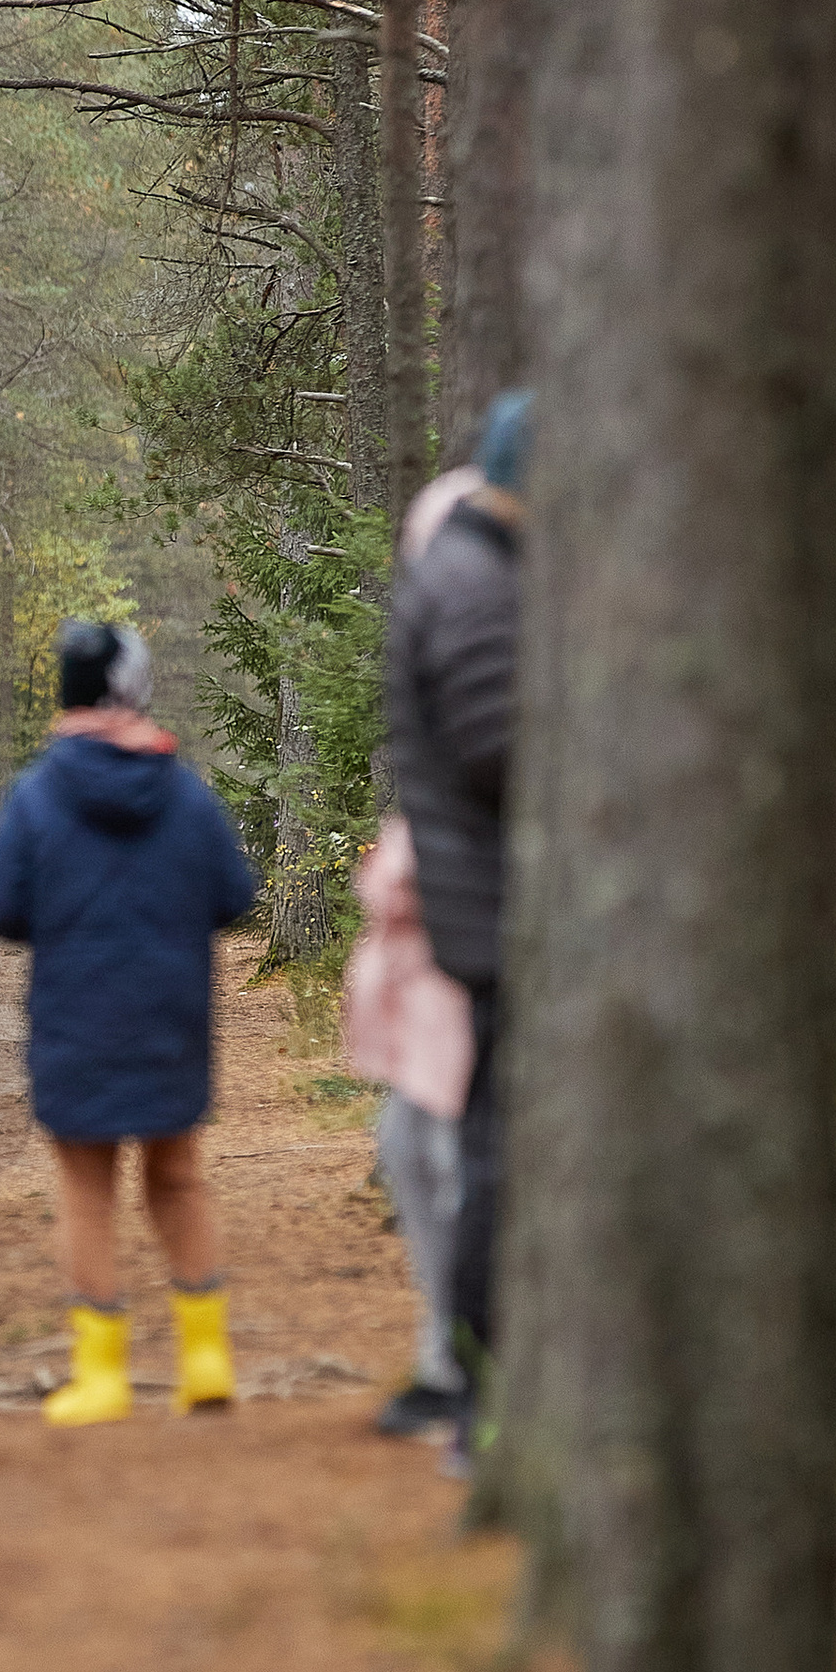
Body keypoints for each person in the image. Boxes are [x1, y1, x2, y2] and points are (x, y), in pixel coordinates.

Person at [0, 620, 257, 1425]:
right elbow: (235, 897)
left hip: (76, 1017)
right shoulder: (185, 791)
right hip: (172, 1017)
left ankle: (102, 1377)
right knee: (178, 1177)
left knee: (86, 1190)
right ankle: (207, 1360)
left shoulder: (37, 793)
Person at [385, 391, 526, 1457]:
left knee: (470, 1153)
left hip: (484, 924)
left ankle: (471, 1382)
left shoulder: (474, 578)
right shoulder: (477, 587)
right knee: (482, 1161)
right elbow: (499, 750)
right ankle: (475, 1391)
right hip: (500, 924)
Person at [344, 816, 474, 1436]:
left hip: (475, 979)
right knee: (407, 1146)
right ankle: (447, 1360)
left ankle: (467, 1368)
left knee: (459, 1175)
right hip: (433, 997)